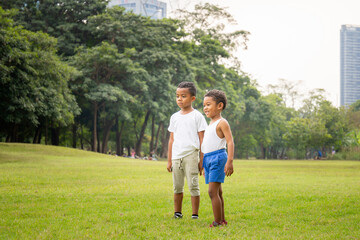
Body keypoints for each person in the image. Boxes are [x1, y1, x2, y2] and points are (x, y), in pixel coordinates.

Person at [167, 82, 208, 220]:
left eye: (183, 96)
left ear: (192, 98)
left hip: (191, 155)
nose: (179, 99)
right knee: (177, 187)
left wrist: (202, 160)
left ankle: (194, 214)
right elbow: (171, 140)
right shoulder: (174, 117)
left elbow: (202, 140)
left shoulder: (197, 116)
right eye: (177, 96)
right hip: (176, 157)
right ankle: (177, 213)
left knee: (193, 186)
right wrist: (169, 160)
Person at [202, 89, 234, 227]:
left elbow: (230, 142)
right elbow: (206, 145)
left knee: (212, 192)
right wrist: (204, 165)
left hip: (218, 158)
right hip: (208, 159)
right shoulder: (209, 124)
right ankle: (222, 220)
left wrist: (230, 161)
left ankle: (217, 222)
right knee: (218, 191)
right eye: (204, 105)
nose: (205, 108)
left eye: (208, 104)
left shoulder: (222, 123)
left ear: (219, 106)